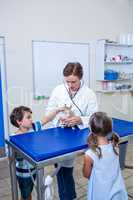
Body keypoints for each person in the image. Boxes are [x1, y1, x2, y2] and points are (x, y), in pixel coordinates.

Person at [46, 62, 98, 200]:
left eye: (73, 82)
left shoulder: (89, 94)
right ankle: (68, 196)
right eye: (67, 81)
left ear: (80, 78)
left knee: (67, 169)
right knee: (63, 169)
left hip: (80, 135)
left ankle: (69, 195)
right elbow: (49, 110)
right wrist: (60, 119)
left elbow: (94, 116)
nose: (70, 85)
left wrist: (79, 120)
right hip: (60, 135)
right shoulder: (58, 90)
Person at [10, 105, 63, 200]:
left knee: (31, 192)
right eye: (28, 117)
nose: (31, 119)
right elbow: (12, 156)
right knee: (26, 196)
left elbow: (46, 119)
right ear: (19, 122)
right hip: (24, 174)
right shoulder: (14, 138)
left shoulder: (34, 128)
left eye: (31, 117)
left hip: (35, 169)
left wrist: (58, 110)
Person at [83, 112, 128, 200]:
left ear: (90, 129)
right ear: (110, 128)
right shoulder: (115, 146)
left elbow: (86, 174)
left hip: (101, 192)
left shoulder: (90, 154)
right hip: (117, 191)